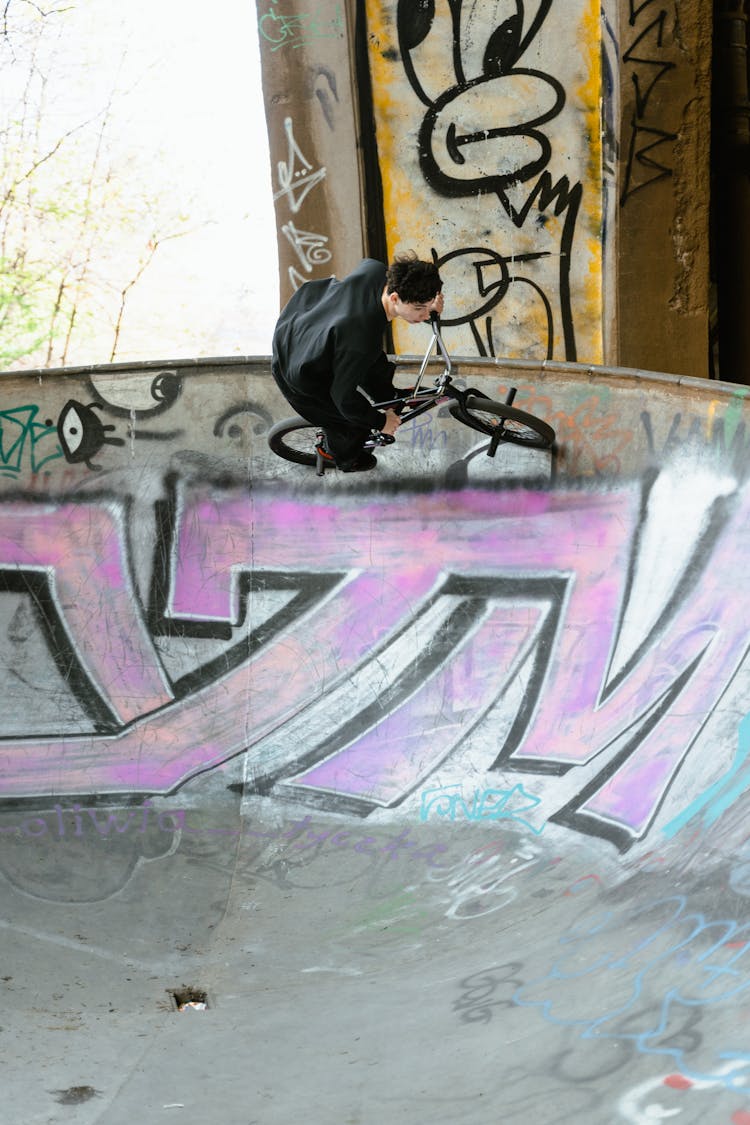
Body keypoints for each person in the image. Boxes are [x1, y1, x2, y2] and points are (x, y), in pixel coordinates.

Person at [271, 251, 444, 472]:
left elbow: (374, 264)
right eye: (419, 309)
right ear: (394, 298)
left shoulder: (378, 272)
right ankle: (337, 455)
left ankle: (387, 397)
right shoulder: (359, 338)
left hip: (306, 322)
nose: (425, 315)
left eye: (428, 307)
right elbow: (342, 397)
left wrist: (432, 302)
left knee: (374, 363)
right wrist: (382, 423)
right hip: (298, 370)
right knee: (351, 423)